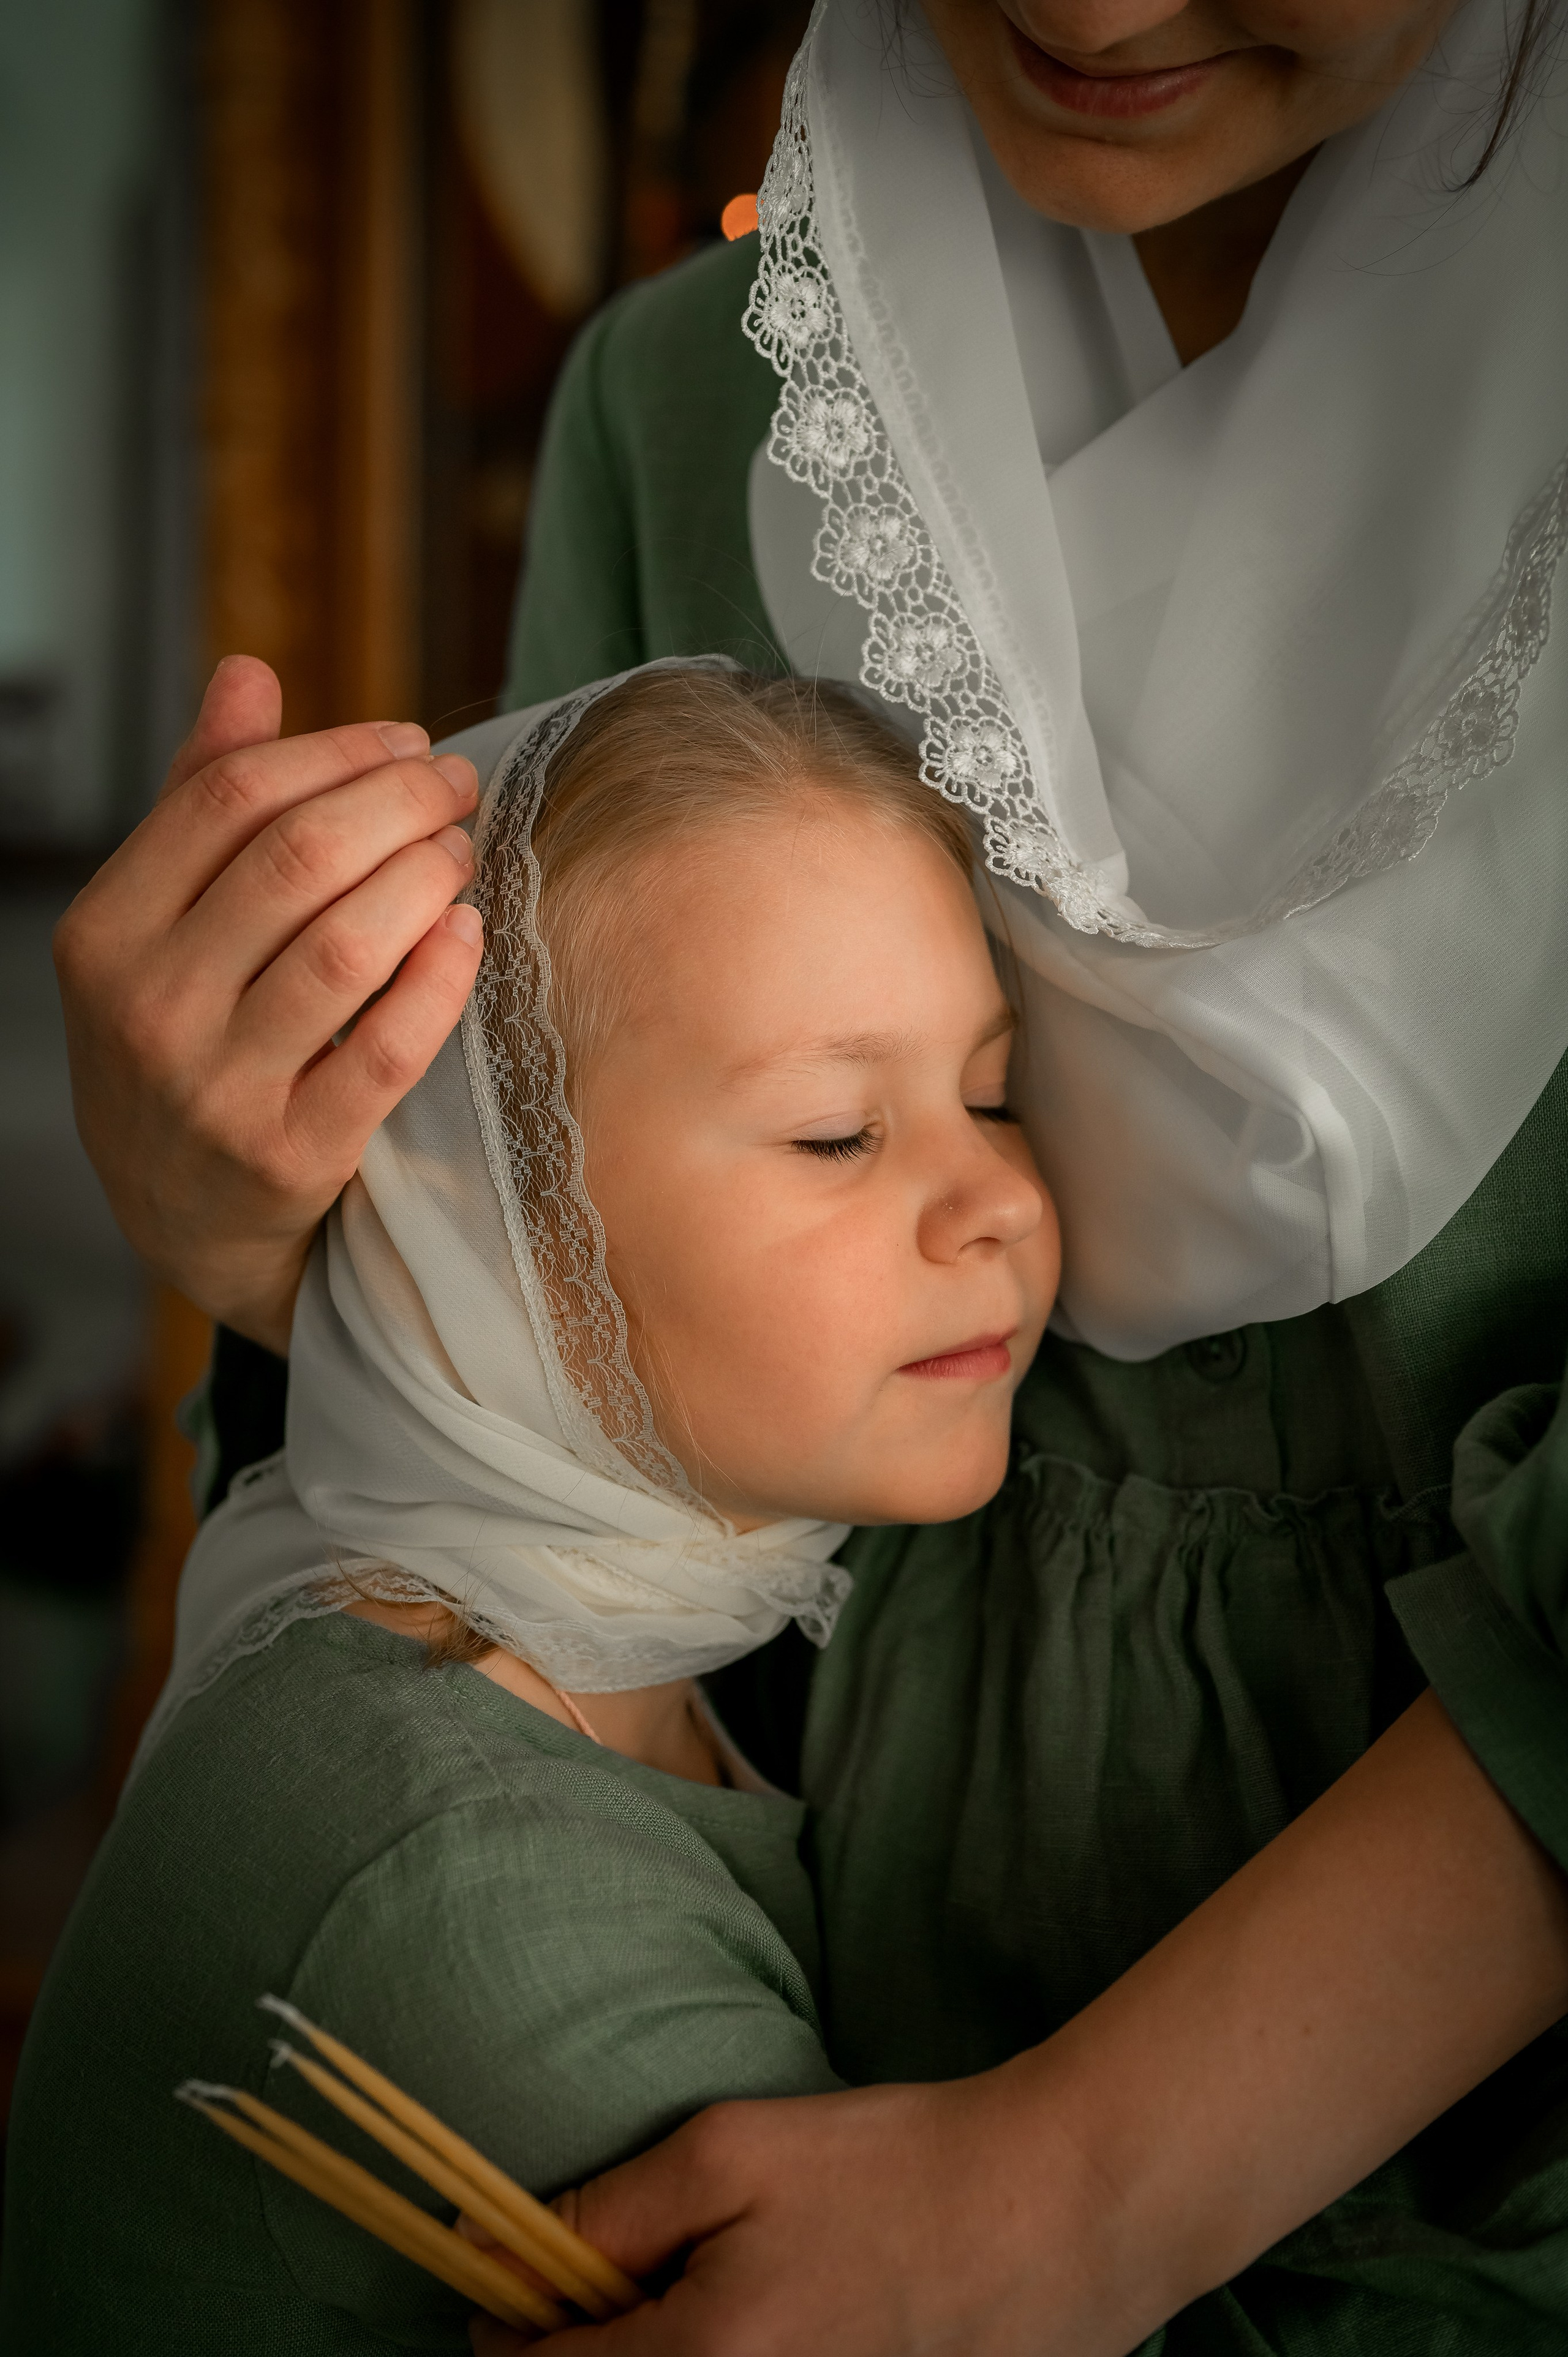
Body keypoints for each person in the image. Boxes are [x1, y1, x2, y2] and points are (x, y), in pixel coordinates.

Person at [47, 0, 1568, 2347]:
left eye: (981, 1092)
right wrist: (266, 1234)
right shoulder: (708, 408)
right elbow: (571, 1292)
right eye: (864, 1125)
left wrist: (1072, 2191)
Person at [0, 662, 1056, 2350]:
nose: (998, 1196)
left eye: (992, 1094)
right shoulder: (473, 1898)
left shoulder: (617, 1662)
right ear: (485, 1228)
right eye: (841, 1133)